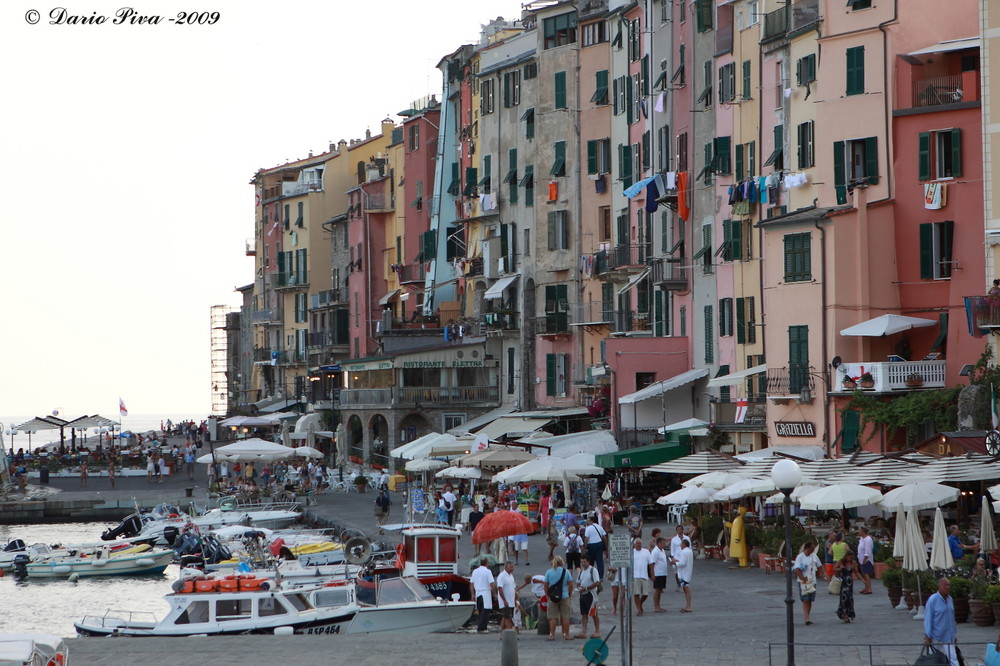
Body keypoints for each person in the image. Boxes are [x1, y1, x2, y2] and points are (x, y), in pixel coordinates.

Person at [923, 577, 959, 666]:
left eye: (949, 585)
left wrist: (954, 634)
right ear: (939, 586)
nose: (948, 587)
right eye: (946, 585)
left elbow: (952, 618)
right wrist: (928, 635)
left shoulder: (950, 599)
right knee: (934, 660)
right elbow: (928, 619)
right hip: (936, 636)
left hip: (948, 636)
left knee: (953, 659)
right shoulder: (933, 600)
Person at [793, 541, 825, 625]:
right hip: (804, 580)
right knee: (805, 599)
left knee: (810, 600)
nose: (813, 550)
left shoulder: (814, 556)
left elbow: (820, 566)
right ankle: (806, 617)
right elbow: (797, 569)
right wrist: (803, 580)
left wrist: (824, 576)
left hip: (812, 580)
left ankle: (807, 616)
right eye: (812, 548)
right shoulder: (800, 557)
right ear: (807, 548)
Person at [544, 555, 573, 640]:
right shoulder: (566, 572)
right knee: (565, 616)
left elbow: (546, 585)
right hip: (564, 596)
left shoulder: (549, 572)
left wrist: (547, 595)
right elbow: (570, 584)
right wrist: (569, 593)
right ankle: (566, 634)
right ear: (562, 563)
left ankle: (552, 635)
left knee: (553, 617)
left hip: (553, 597)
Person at [576, 555, 601, 638]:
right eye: (582, 562)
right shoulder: (581, 572)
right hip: (583, 595)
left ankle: (597, 631)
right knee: (584, 614)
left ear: (588, 562)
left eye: (584, 562)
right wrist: (579, 587)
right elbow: (578, 581)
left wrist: (586, 588)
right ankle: (583, 632)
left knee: (593, 613)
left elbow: (597, 582)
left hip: (591, 594)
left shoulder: (593, 570)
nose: (583, 564)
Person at [470, 557, 497, 634]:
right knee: (486, 611)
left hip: (478, 593)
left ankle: (481, 626)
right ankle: (482, 628)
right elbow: (491, 583)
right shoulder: (488, 572)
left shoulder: (475, 571)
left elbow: (471, 584)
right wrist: (495, 593)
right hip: (485, 593)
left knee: (480, 610)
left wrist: (472, 594)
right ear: (487, 563)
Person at [631, 538, 653, 616]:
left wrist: (652, 573)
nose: (638, 545)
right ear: (634, 544)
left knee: (645, 594)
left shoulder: (646, 551)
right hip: (635, 575)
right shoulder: (631, 553)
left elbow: (651, 563)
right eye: (637, 543)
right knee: (636, 593)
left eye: (640, 543)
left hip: (644, 575)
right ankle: (639, 609)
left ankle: (640, 604)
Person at [496, 561, 518, 635]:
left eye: (513, 567)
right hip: (506, 601)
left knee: (505, 617)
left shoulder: (511, 576)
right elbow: (500, 588)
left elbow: (513, 588)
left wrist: (515, 599)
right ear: (506, 567)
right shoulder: (502, 576)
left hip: (511, 600)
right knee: (508, 617)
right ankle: (509, 632)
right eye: (511, 567)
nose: (512, 569)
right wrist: (504, 600)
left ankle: (503, 633)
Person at [834, 552, 857, 623]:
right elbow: (834, 569)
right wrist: (840, 568)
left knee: (850, 598)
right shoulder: (841, 562)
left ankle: (848, 613)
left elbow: (856, 572)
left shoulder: (853, 562)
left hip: (850, 583)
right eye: (848, 556)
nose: (850, 558)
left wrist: (863, 580)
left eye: (851, 557)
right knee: (844, 598)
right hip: (843, 582)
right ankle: (844, 615)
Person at [675, 536, 694, 612]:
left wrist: (675, 562)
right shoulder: (689, 551)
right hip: (687, 572)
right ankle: (687, 605)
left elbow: (682, 563)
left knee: (686, 589)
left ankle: (689, 606)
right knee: (685, 589)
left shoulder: (684, 552)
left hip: (684, 573)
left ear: (683, 544)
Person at [669, 525, 691, 591]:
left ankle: (685, 583)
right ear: (676, 531)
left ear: (683, 530)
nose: (680, 531)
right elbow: (672, 550)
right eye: (678, 529)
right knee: (676, 572)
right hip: (676, 557)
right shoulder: (674, 539)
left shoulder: (687, 538)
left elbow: (690, 548)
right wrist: (672, 558)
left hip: (684, 556)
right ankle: (679, 584)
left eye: (681, 529)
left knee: (684, 571)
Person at [651, 536, 669, 612]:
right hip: (658, 573)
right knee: (657, 590)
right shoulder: (655, 551)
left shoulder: (662, 550)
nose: (664, 544)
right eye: (663, 543)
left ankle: (658, 605)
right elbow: (652, 563)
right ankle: (656, 606)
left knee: (660, 590)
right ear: (658, 543)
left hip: (663, 573)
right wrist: (652, 574)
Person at [857, 527, 874, 594]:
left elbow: (868, 550)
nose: (858, 532)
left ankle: (869, 588)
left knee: (866, 574)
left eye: (859, 530)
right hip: (861, 559)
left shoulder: (868, 539)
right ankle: (866, 587)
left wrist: (865, 559)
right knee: (864, 573)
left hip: (866, 559)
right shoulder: (862, 539)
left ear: (863, 531)